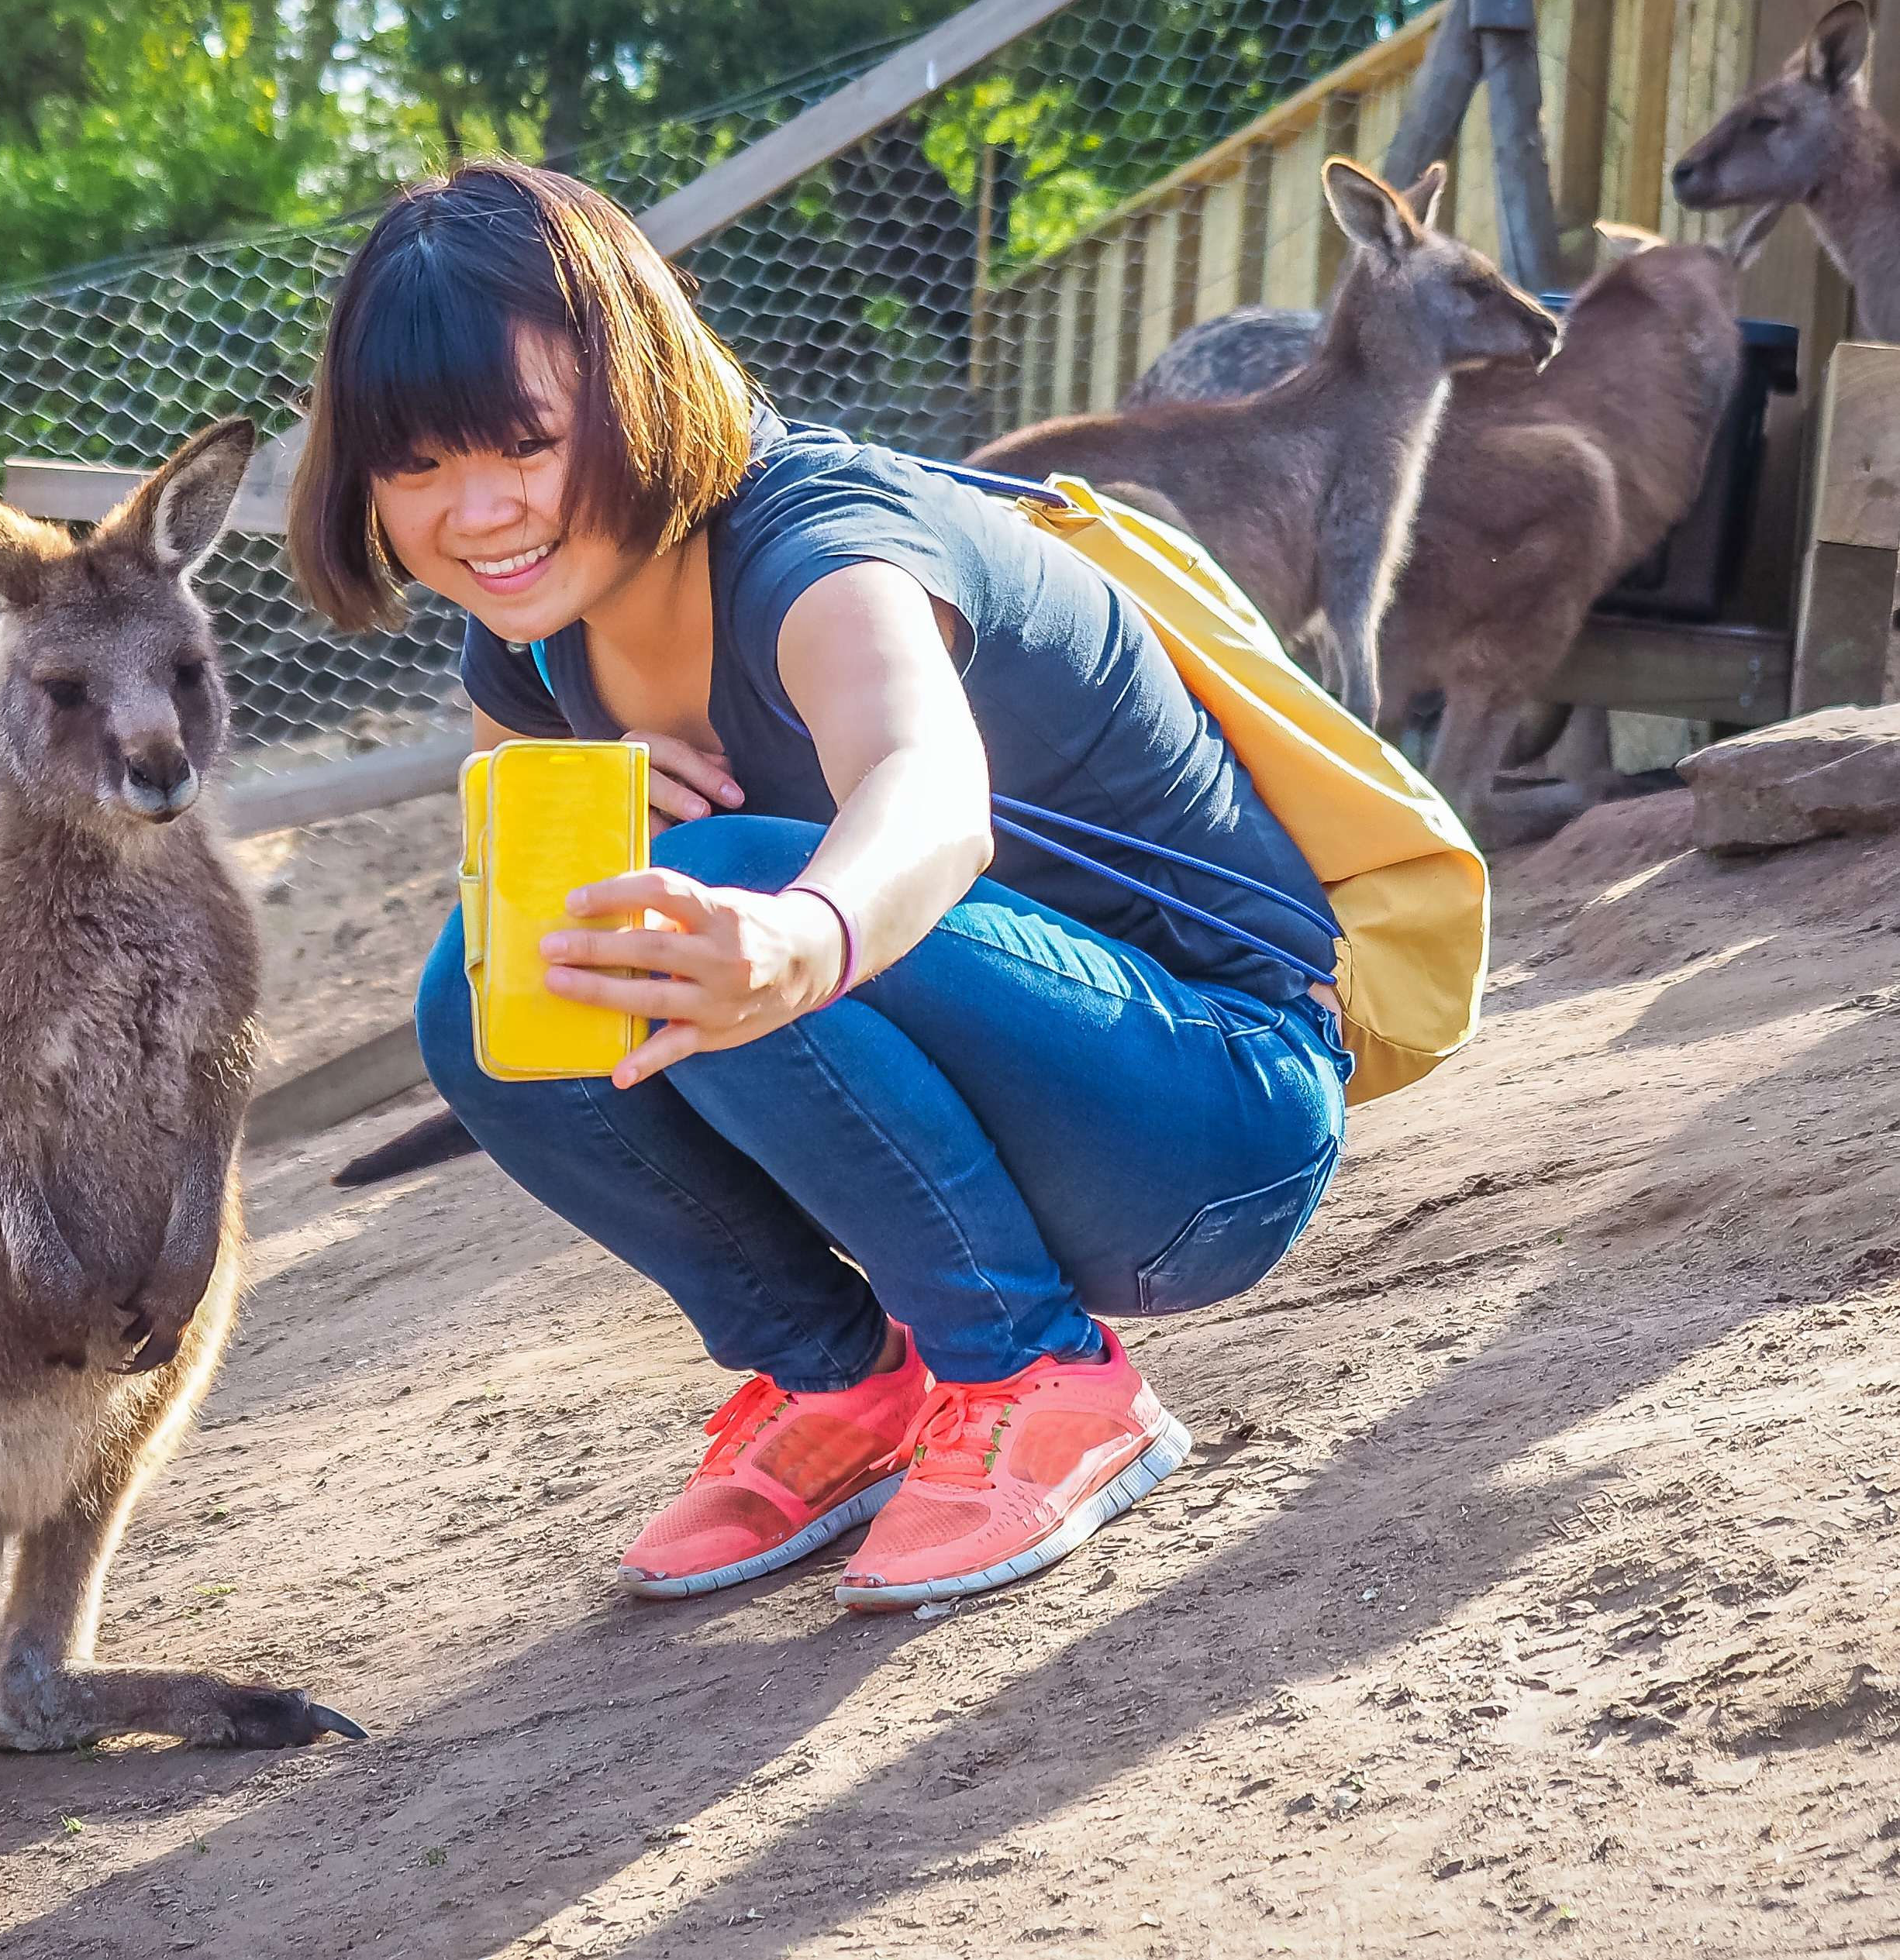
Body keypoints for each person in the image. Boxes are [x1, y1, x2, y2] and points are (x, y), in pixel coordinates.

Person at [285, 160, 1350, 1614]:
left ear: (636, 390)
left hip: (1208, 1124)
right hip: (1023, 1121)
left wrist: (798, 932)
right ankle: (846, 1381)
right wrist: (526, 813)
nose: (473, 512)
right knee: (492, 976)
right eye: (413, 469)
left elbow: (929, 791)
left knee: (706, 880)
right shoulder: (528, 639)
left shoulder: (821, 544)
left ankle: (1042, 1378)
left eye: (521, 445)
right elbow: (533, 919)